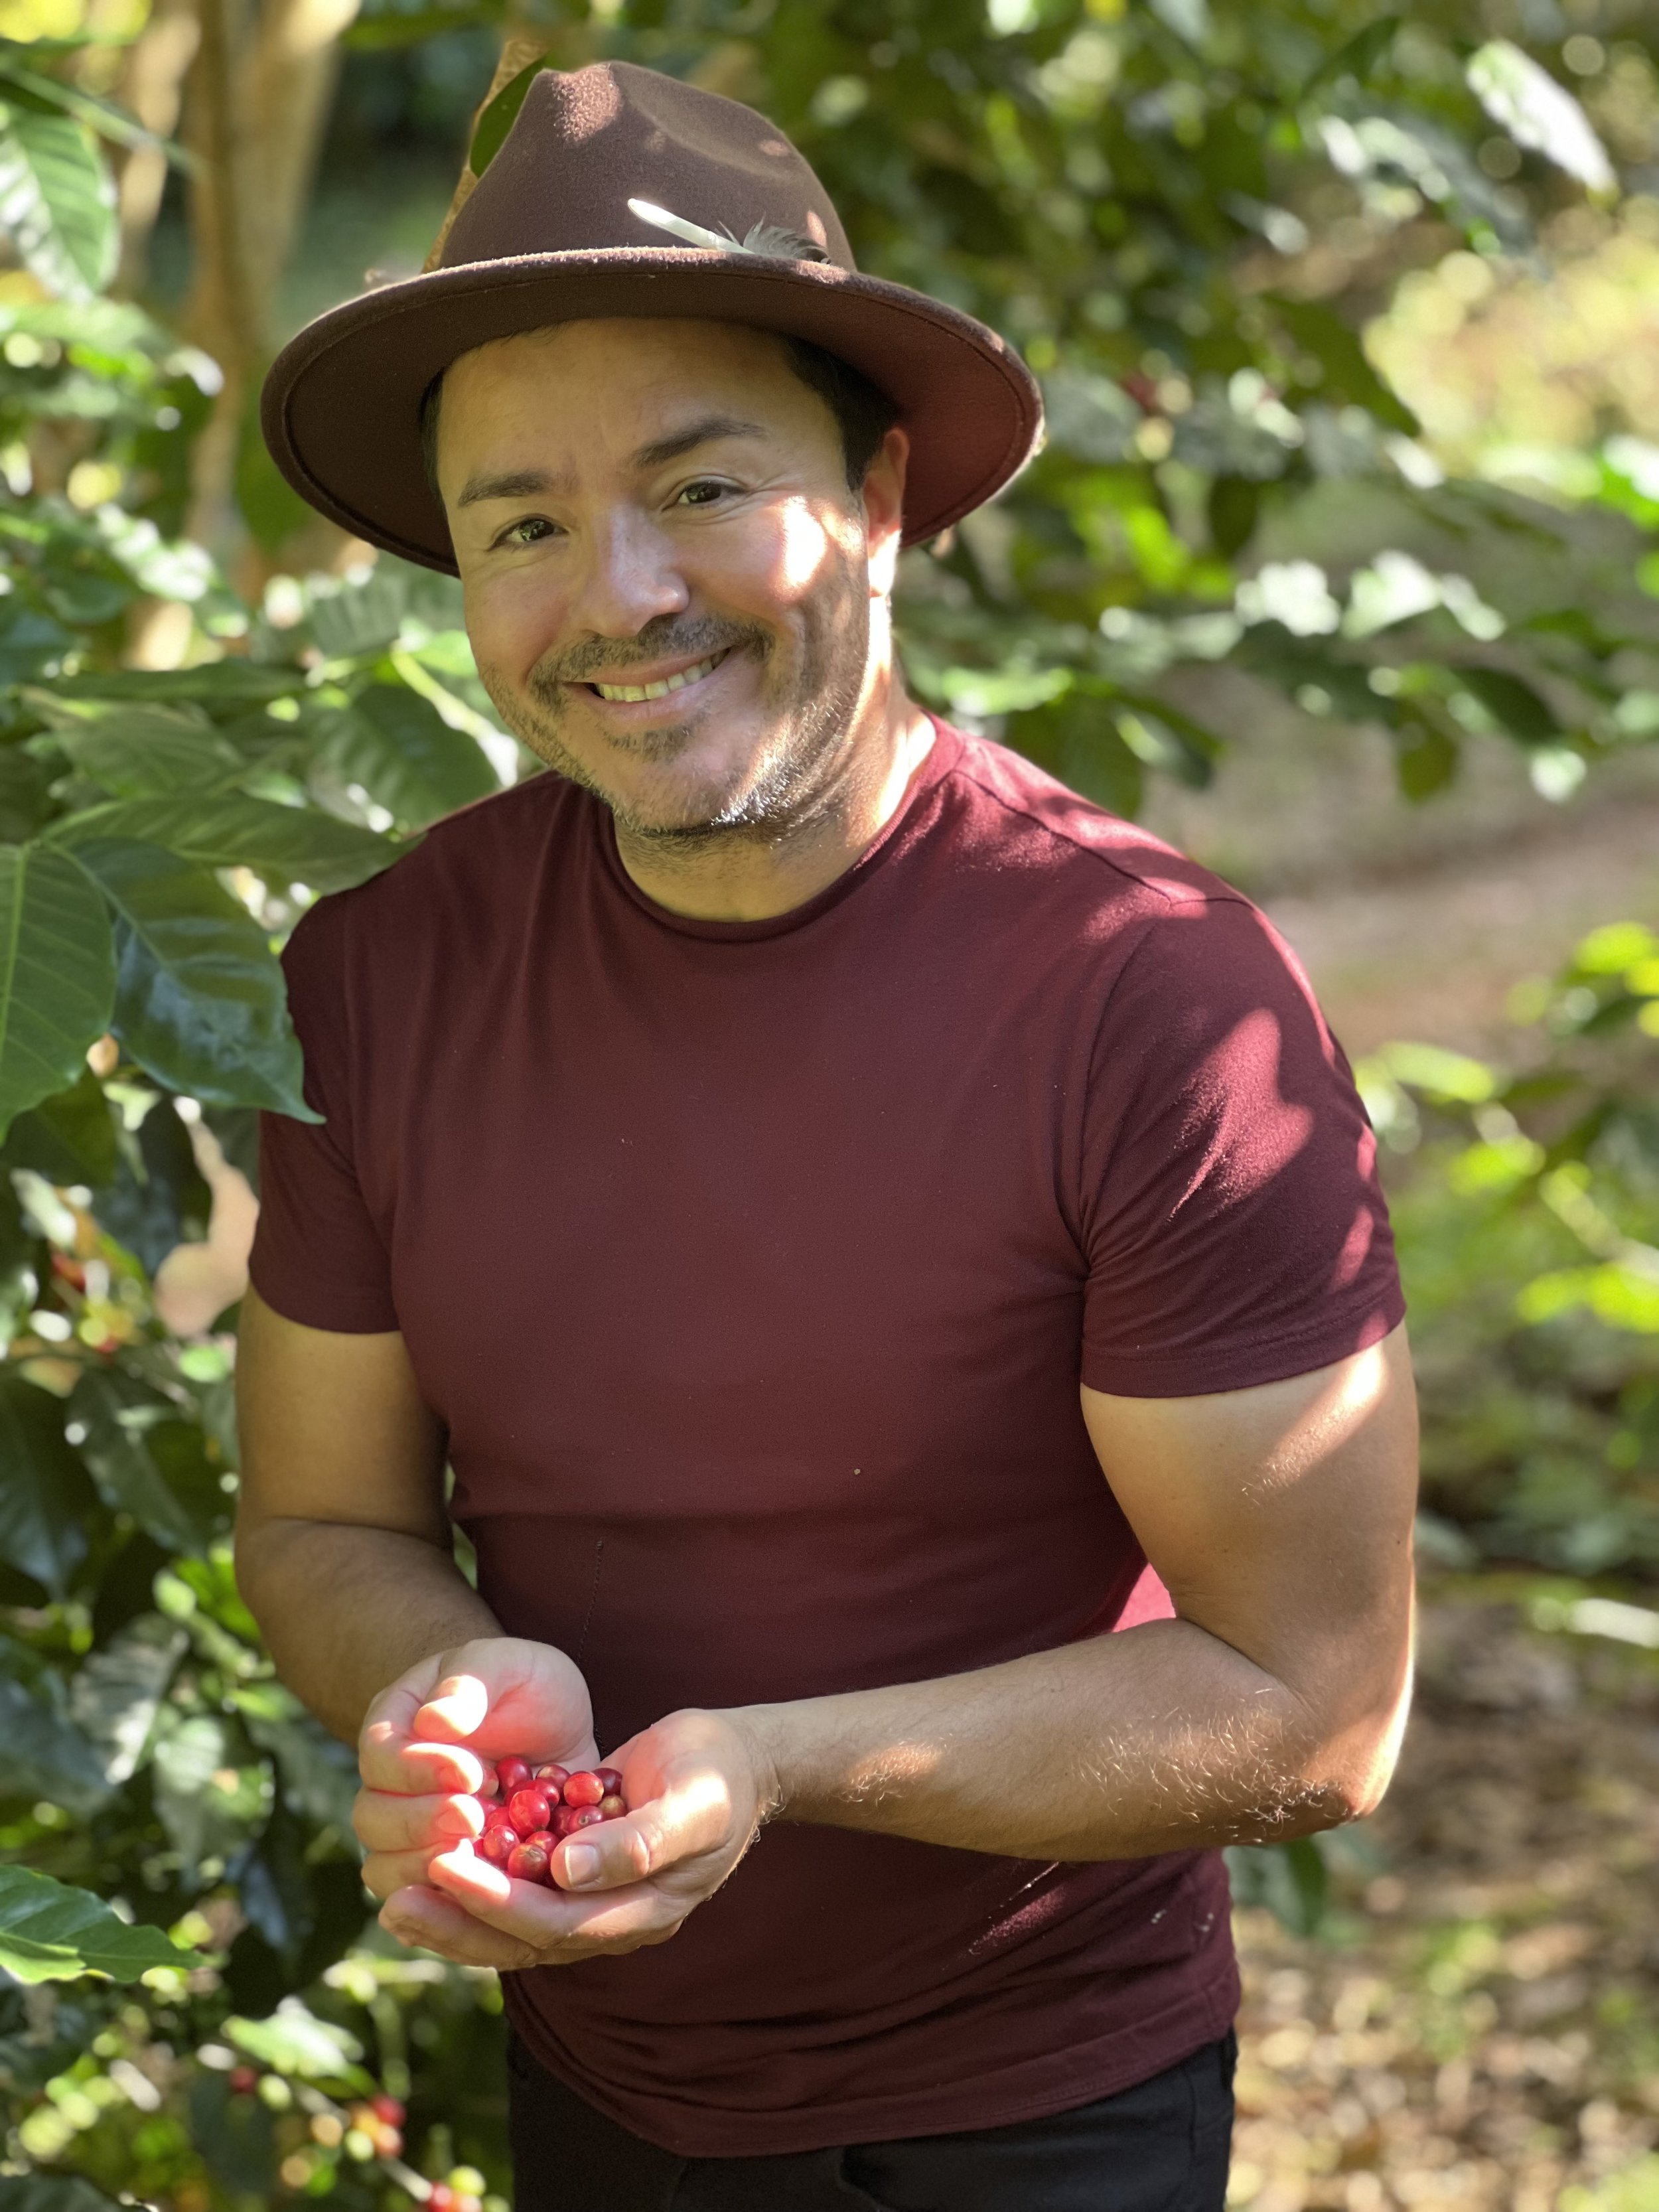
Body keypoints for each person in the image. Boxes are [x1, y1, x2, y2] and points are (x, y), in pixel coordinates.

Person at [239, 56, 1418, 2212]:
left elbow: (1316, 1702)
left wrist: (776, 1769)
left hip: (1037, 2105)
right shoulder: (378, 982)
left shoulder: (1151, 1000)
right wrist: (441, 1677)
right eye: (518, 523)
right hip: (595, 2069)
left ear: (879, 493)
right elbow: (322, 1525)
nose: (613, 595)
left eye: (701, 487)